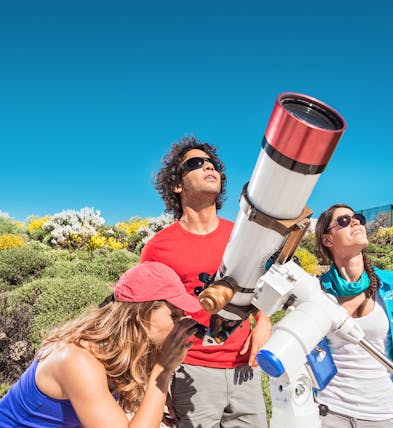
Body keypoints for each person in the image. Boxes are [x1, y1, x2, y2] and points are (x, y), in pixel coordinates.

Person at [140, 136, 270, 427]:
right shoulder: (158, 248)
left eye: (212, 164)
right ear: (177, 185)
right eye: (196, 163)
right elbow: (147, 320)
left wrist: (264, 322)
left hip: (245, 370)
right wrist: (158, 383)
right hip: (192, 371)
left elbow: (262, 286)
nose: (209, 167)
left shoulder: (242, 234)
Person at [0, 261, 200, 428]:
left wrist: (155, 403)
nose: (182, 322)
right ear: (140, 316)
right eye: (174, 315)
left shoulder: (116, 348)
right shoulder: (77, 360)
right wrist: (162, 372)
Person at [314, 204, 393, 428]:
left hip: (382, 412)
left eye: (358, 218)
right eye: (343, 221)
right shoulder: (317, 291)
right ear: (327, 240)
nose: (355, 223)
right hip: (329, 411)